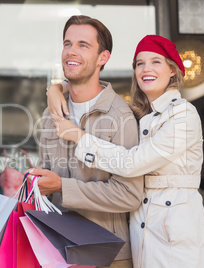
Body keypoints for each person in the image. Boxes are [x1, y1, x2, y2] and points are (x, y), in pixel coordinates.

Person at [39, 35, 204, 268]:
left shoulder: (183, 115)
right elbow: (80, 83)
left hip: (177, 237)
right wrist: (55, 88)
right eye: (140, 63)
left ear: (172, 70)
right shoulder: (141, 115)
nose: (146, 69)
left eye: (155, 62)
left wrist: (78, 136)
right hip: (142, 234)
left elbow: (131, 164)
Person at [25, 15, 143, 268]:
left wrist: (61, 187)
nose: (71, 52)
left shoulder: (119, 116)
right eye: (67, 43)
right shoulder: (51, 112)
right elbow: (49, 172)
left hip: (107, 254)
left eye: (83, 45)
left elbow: (129, 195)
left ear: (103, 58)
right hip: (57, 251)